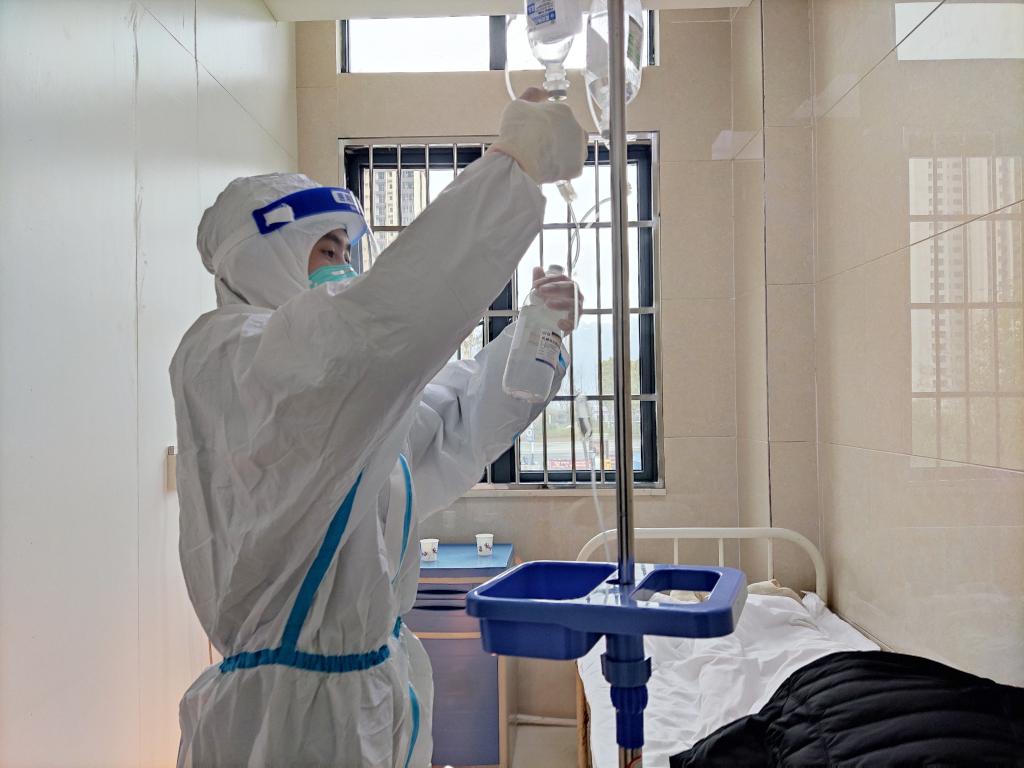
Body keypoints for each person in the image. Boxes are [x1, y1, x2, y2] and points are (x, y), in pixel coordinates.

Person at [170, 89, 587, 767]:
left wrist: (535, 335)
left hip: (372, 690)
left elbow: (449, 424)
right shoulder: (231, 354)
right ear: (261, 257)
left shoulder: (338, 388)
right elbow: (375, 327)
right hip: (291, 725)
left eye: (347, 248)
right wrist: (509, 170)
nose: (343, 264)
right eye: (323, 249)